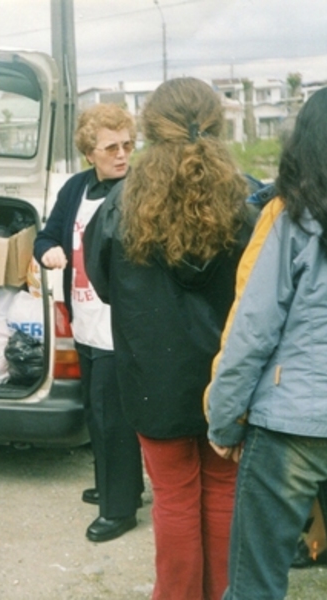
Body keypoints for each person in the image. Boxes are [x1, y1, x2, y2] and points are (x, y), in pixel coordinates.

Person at [84, 78, 254, 599]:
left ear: (151, 126)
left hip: (152, 379)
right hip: (227, 378)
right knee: (224, 493)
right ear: (217, 124)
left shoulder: (120, 203)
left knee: (174, 500)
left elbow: (104, 282)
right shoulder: (245, 198)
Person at [207, 86, 327, 599]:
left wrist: (224, 416)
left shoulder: (294, 217)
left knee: (255, 583)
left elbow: (253, 329)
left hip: (293, 419)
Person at [33, 103, 144, 543]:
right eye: (111, 147)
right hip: (84, 319)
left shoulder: (139, 189)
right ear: (89, 152)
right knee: (98, 413)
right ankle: (119, 485)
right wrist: (47, 252)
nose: (122, 155)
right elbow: (47, 235)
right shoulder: (76, 187)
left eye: (128, 145)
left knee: (112, 415)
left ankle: (119, 511)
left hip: (122, 324)